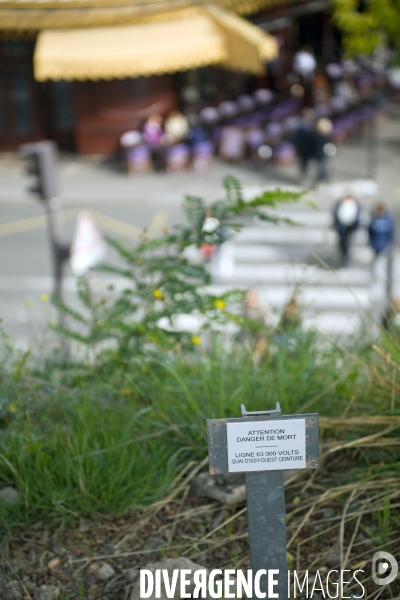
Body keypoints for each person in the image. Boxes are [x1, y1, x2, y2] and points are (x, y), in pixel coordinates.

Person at [333, 194, 361, 265]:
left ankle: (346, 254)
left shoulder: (355, 205)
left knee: (348, 240)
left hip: (351, 226)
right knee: (342, 241)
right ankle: (343, 253)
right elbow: (335, 214)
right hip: (341, 226)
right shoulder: (340, 204)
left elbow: (357, 216)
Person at [291, 109, 317, 181]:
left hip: (310, 147)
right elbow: (297, 137)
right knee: (303, 163)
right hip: (303, 147)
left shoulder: (313, 124)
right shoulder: (301, 125)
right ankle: (303, 177)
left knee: (310, 163)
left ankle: (308, 177)